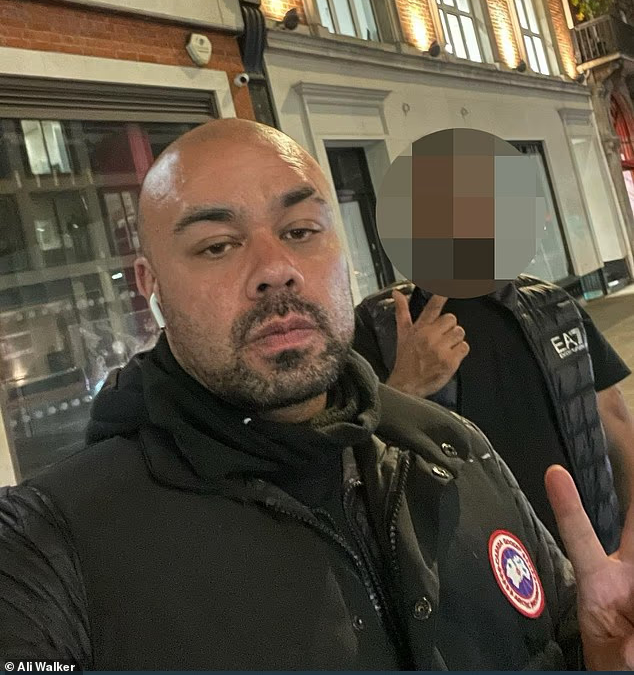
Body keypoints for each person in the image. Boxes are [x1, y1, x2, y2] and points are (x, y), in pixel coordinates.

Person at [0, 119, 633, 670]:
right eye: (217, 245)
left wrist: (603, 655)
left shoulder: (454, 450)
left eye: (301, 231)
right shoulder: (52, 546)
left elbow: (567, 645)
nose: (277, 269)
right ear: (151, 284)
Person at [354, 279, 634, 553]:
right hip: (474, 568)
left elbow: (615, 421)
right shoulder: (375, 325)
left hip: (593, 551)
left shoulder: (552, 303)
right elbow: (357, 467)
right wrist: (406, 386)